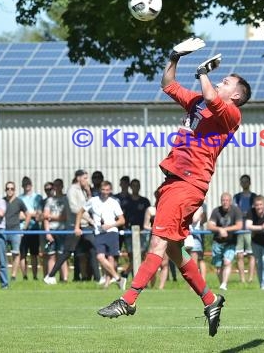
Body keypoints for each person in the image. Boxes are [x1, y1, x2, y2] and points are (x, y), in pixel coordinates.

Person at [97, 36, 252, 337]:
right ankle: (211, 300)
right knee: (174, 250)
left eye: (226, 81)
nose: (221, 82)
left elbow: (211, 98)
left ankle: (129, 300)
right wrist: (174, 57)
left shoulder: (231, 114)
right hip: (174, 181)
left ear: (235, 96)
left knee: (157, 242)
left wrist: (203, 73)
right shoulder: (198, 101)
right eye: (220, 78)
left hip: (189, 183)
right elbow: (167, 84)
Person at [44, 169, 98, 284]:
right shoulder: (72, 190)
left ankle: (98, 278)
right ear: (78, 178)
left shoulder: (83, 190)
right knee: (67, 252)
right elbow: (75, 209)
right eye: (85, 178)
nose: (87, 181)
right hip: (75, 225)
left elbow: (89, 206)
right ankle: (50, 276)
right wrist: (89, 219)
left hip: (85, 225)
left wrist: (88, 193)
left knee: (93, 249)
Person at [76, 180, 127, 289]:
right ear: (100, 190)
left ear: (111, 190)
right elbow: (80, 212)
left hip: (112, 232)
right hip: (99, 233)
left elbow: (122, 220)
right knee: (100, 257)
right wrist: (77, 227)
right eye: (103, 189)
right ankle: (118, 278)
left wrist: (110, 225)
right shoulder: (93, 201)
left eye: (107, 190)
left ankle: (107, 283)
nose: (105, 192)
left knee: (111, 259)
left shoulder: (114, 202)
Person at [207, 192, 243, 291]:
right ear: (221, 201)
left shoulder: (236, 210)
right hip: (217, 242)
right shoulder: (216, 211)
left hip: (230, 242)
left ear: (230, 201)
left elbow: (239, 225)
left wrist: (225, 230)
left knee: (227, 262)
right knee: (218, 266)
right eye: (223, 200)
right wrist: (219, 230)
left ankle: (224, 284)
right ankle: (222, 285)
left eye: (227, 200)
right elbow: (210, 225)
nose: (225, 202)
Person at [121, 178, 151, 277]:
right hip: (129, 232)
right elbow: (121, 215)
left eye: (137, 185)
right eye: (133, 185)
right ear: (130, 187)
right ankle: (134, 276)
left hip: (142, 232)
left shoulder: (145, 201)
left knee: (142, 254)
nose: (135, 187)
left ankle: (127, 274)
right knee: (132, 255)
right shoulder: (126, 201)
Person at [43, 178, 69, 281]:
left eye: (59, 185)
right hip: (51, 230)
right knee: (51, 255)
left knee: (62, 255)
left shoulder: (66, 199)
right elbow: (45, 216)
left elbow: (65, 217)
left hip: (63, 230)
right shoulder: (49, 200)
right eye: (55, 186)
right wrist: (47, 232)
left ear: (62, 186)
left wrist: (51, 216)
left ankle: (65, 278)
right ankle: (51, 277)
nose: (57, 188)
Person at [233, 174, 257, 284]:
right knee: (240, 255)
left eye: (246, 181)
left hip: (250, 230)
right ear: (240, 183)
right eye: (242, 181)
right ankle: (242, 279)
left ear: (250, 183)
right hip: (238, 230)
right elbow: (234, 211)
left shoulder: (254, 197)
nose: (244, 183)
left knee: (251, 255)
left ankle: (251, 278)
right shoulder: (237, 197)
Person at [18, 176, 43, 280]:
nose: (27, 186)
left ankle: (35, 275)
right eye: (25, 184)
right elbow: (19, 215)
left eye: (28, 184)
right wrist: (31, 214)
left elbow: (38, 215)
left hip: (34, 229)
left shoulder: (37, 197)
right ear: (22, 186)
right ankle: (24, 275)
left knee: (34, 254)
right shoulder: (19, 198)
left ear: (31, 185)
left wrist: (28, 215)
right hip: (22, 229)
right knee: (22, 254)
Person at [3, 181, 27, 281]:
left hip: (15, 231)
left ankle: (13, 275)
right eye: (8, 188)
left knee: (16, 253)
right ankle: (0, 274)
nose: (10, 190)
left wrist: (24, 227)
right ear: (5, 190)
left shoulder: (19, 201)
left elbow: (27, 214)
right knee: (0, 253)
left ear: (15, 190)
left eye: (12, 188)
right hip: (3, 230)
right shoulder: (2, 201)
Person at [188, 204, 207, 281]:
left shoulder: (199, 208)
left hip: (194, 236)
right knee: (191, 261)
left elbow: (194, 219)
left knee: (196, 260)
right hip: (188, 236)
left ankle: (198, 282)